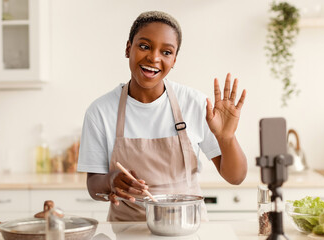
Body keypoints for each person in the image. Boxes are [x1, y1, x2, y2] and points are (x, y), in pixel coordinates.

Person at [77, 10, 247, 221]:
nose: (154, 57)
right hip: (128, 232)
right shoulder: (100, 111)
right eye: (144, 46)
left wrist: (227, 138)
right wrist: (111, 181)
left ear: (174, 59)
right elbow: (93, 186)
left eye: (166, 52)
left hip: (187, 230)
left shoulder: (194, 103)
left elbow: (236, 177)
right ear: (128, 48)